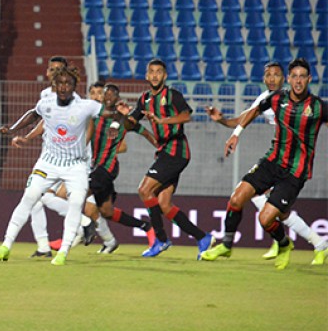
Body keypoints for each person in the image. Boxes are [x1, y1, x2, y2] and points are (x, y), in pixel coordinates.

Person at [200, 58, 328, 269]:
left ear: (309, 79)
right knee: (236, 199)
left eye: (302, 77)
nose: (298, 81)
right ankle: (226, 245)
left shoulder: (318, 107)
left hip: (295, 171)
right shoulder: (275, 98)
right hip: (272, 161)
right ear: (289, 79)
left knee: (266, 218)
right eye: (294, 76)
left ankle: (286, 244)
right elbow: (252, 112)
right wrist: (235, 134)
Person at [0, 66, 102, 266]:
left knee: (76, 203)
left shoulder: (85, 106)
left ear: (75, 86)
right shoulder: (46, 103)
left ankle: (63, 252)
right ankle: (5, 246)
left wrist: (118, 121)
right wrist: (13, 129)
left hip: (75, 165)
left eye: (68, 83)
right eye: (60, 83)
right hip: (48, 162)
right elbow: (34, 114)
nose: (64, 87)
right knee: (30, 197)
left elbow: (108, 113)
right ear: (54, 85)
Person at [115, 58, 213, 259]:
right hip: (165, 152)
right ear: (146, 75)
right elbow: (131, 124)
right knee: (164, 204)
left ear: (165, 75)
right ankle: (203, 237)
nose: (155, 75)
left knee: (144, 190)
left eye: (158, 71)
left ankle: (160, 239)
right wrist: (126, 115)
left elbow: (186, 116)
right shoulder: (144, 99)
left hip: (176, 150)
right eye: (151, 71)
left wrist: (162, 121)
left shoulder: (172, 95)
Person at [87, 83, 158, 253]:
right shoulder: (94, 115)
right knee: (107, 212)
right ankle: (146, 226)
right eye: (106, 94)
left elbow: (144, 132)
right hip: (96, 168)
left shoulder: (124, 120)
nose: (108, 97)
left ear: (117, 98)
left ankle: (81, 231)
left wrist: (160, 148)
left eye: (112, 95)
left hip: (107, 168)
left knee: (76, 193)